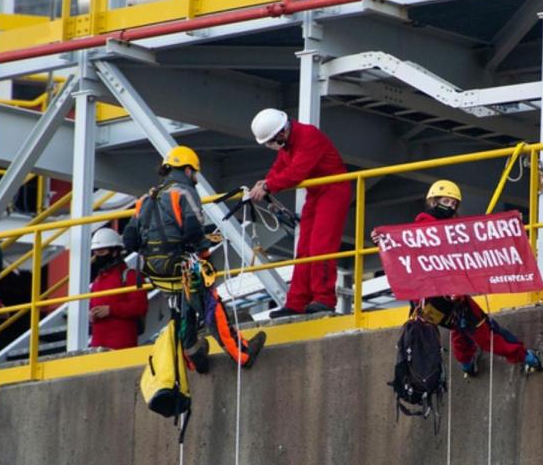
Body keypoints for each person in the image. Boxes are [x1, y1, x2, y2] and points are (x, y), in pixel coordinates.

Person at [373, 180, 543, 377]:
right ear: (433, 201)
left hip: (430, 304)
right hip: (443, 296)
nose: (450, 206)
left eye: (454, 204)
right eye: (446, 201)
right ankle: (529, 358)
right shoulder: (427, 230)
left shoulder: (438, 230)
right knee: (486, 332)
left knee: (461, 327)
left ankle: (467, 364)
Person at [123, 145, 265, 372]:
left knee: (182, 309)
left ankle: (193, 357)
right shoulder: (185, 193)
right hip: (182, 265)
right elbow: (193, 231)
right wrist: (205, 255)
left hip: (156, 271)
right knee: (211, 305)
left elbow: (129, 240)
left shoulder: (146, 199)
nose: (195, 178)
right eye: (194, 173)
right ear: (188, 170)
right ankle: (242, 353)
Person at [247, 109, 352, 318]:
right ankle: (296, 301)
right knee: (304, 249)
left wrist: (269, 186)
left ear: (280, 134)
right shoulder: (290, 142)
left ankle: (324, 298)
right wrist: (266, 181)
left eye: (270, 142)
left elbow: (296, 173)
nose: (270, 146)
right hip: (317, 193)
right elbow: (280, 168)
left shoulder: (308, 136)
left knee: (321, 246)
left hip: (334, 190)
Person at [88, 227, 148, 350]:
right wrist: (91, 315)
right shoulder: (97, 280)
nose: (98, 256)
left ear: (115, 252)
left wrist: (111, 310)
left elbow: (140, 307)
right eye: (96, 252)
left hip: (122, 346)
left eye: (102, 252)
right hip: (97, 346)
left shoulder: (129, 275)